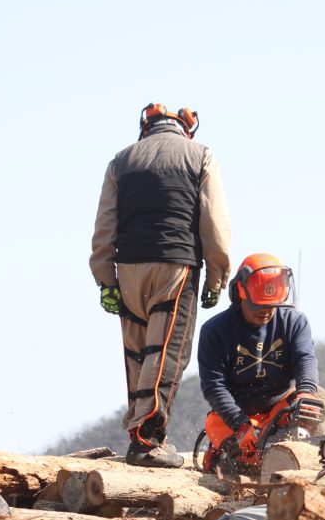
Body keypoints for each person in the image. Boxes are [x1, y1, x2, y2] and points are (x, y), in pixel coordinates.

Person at [90, 103, 232, 468]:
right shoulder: (200, 155)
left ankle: (140, 436)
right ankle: (147, 440)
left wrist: (106, 280)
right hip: (175, 266)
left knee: (138, 356)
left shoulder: (120, 161)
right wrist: (216, 277)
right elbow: (214, 223)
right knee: (166, 354)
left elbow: (104, 225)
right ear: (186, 128)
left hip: (128, 269)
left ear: (146, 127)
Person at [197, 252, 322, 474]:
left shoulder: (294, 322)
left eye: (272, 306)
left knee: (317, 406)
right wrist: (239, 423)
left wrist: (307, 392)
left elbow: (305, 359)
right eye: (259, 306)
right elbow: (214, 386)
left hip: (280, 406)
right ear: (240, 294)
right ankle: (229, 457)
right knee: (228, 439)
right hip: (237, 413)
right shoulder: (215, 331)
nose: (266, 311)